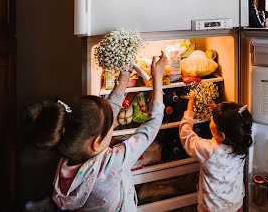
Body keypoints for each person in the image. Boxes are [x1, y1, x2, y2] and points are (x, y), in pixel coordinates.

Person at [25, 52, 167, 212]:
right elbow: (150, 128)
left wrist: (126, 72)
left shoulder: (68, 155)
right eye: (109, 127)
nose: (111, 126)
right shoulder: (110, 164)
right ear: (96, 143)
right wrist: (158, 80)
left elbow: (108, 110)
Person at [179, 99, 253, 212]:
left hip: (212, 209)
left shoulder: (208, 150)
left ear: (221, 135)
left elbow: (186, 136)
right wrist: (218, 111)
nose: (211, 121)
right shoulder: (241, 145)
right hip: (236, 205)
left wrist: (189, 111)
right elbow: (232, 123)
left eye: (212, 120)